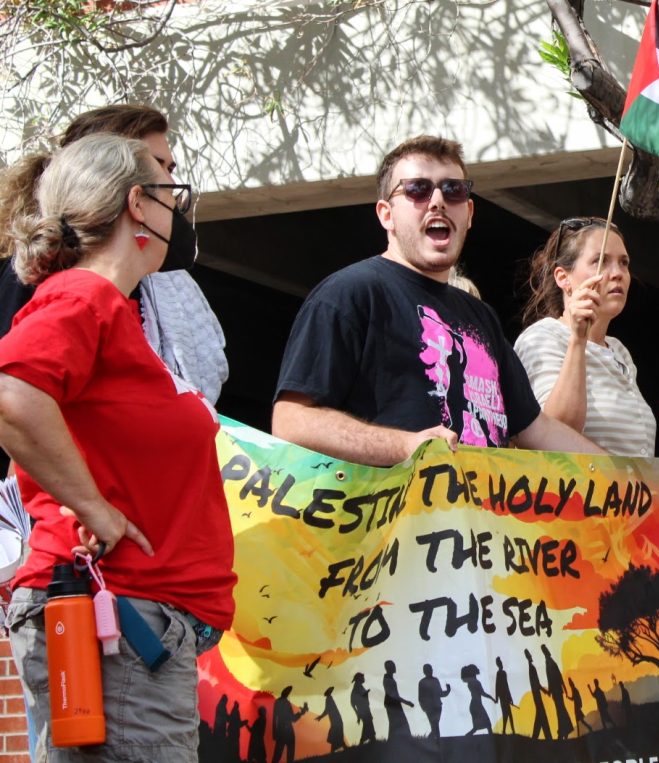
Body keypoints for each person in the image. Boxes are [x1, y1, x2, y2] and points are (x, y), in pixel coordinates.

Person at [0, 134, 236, 760]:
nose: (175, 213)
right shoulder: (83, 298)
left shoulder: (109, 310)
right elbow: (11, 394)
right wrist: (96, 510)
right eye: (168, 190)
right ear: (138, 203)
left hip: (135, 625)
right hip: (118, 619)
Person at [272, 135, 602, 466]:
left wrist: (638, 480)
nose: (437, 201)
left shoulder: (480, 317)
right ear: (386, 214)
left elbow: (537, 429)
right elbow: (291, 421)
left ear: (469, 212)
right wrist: (405, 445)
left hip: (475, 516)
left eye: (454, 190)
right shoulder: (350, 293)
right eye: (417, 189)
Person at [0, 104, 227, 405]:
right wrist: (66, 455)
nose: (170, 185)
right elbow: (11, 394)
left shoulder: (121, 296)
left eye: (170, 169)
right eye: (156, 166)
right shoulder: (75, 294)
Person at [514, 217, 656, 456]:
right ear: (563, 278)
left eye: (624, 263)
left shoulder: (619, 351)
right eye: (600, 261)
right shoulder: (542, 337)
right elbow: (553, 434)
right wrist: (578, 340)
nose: (618, 273)